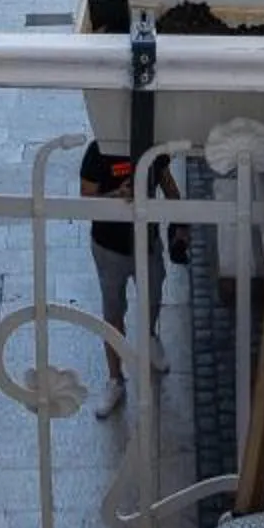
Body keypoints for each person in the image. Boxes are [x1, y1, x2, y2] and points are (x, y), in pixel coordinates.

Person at [80, 135, 185, 418]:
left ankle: (150, 337)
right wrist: (116, 196)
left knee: (153, 294)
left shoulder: (151, 144)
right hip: (109, 245)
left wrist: (181, 222)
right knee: (113, 311)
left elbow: (168, 184)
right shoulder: (98, 151)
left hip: (147, 243)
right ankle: (115, 379)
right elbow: (86, 198)